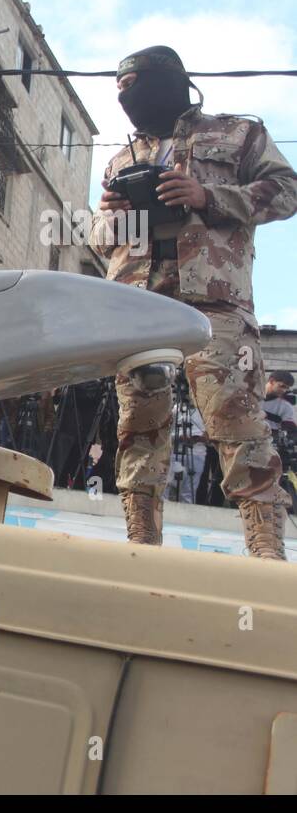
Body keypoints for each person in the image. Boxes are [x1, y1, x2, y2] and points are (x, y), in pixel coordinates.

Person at [91, 46, 297, 557]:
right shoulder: (121, 158)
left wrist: (208, 196)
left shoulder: (238, 133)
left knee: (237, 422)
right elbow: (98, 235)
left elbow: (288, 190)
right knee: (138, 428)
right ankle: (142, 548)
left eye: (134, 83)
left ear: (170, 81)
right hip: (137, 305)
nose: (126, 96)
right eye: (120, 87)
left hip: (215, 301)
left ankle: (266, 553)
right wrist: (111, 220)